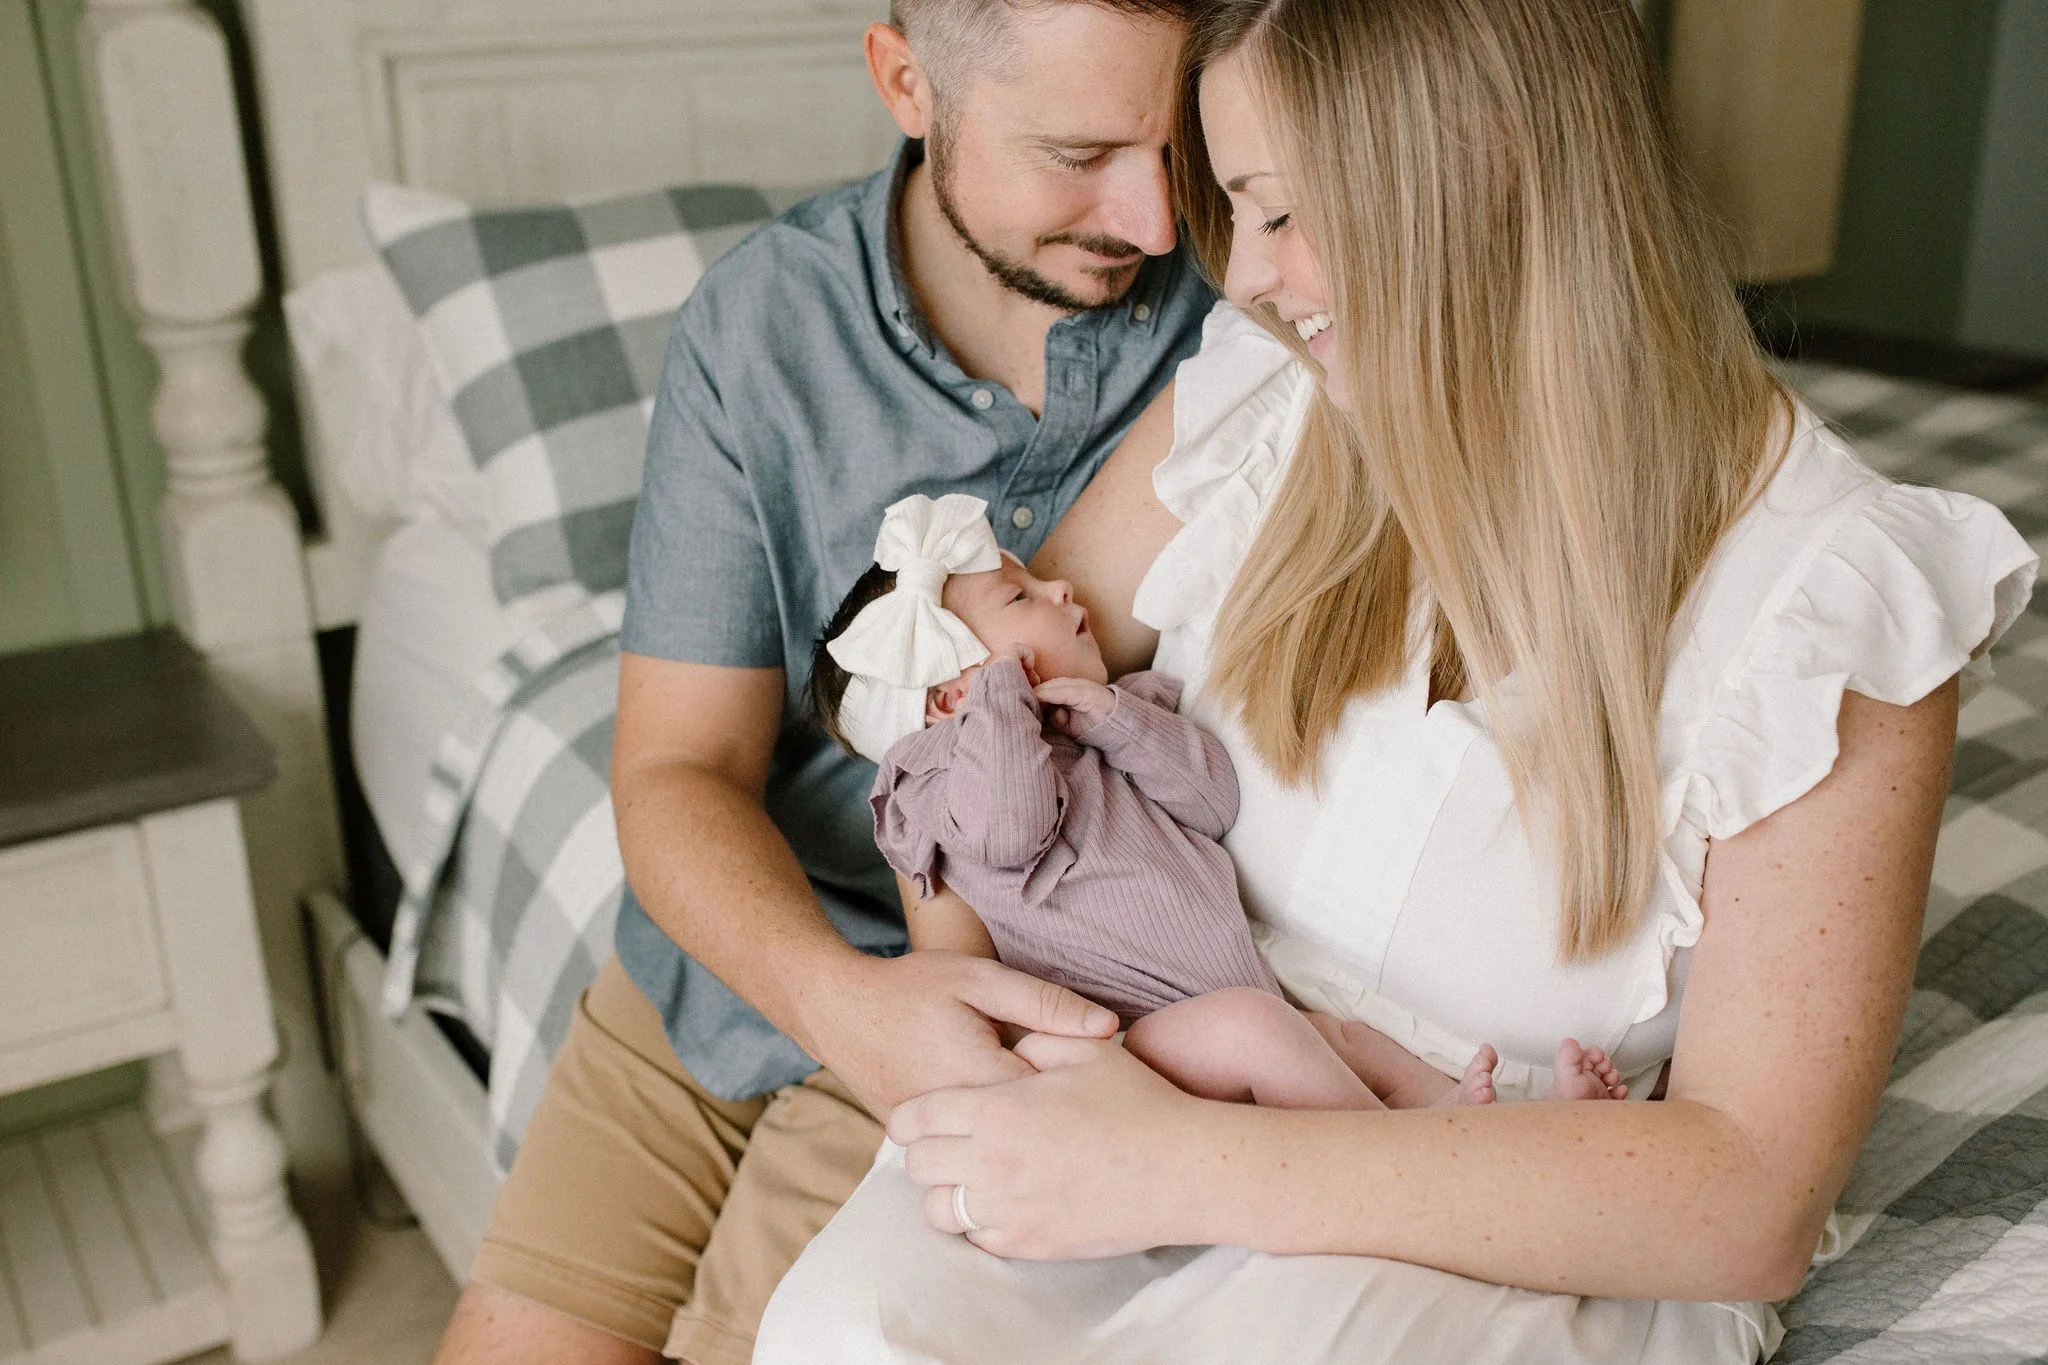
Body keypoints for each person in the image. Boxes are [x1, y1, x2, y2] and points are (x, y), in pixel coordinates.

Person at [752, 0, 2039, 1360]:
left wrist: (1178, 1162)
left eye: (1280, 210)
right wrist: (993, 1020)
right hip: (1140, 1084)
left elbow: (1753, 1200)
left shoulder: (1837, 599)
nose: (1242, 274)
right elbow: (949, 688)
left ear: (1479, 169)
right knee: (849, 1324)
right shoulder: (1270, 411)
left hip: (1505, 1219)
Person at [429, 4, 1219, 1364]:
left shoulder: (1244, 294)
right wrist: (839, 1003)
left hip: (999, 977)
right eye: (1080, 152)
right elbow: (677, 770)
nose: (1153, 216)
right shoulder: (761, 326)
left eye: (1178, 145)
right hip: (726, 959)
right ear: (907, 81)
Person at [813, 492, 1624, 1110]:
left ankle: (1490, 1124)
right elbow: (1009, 831)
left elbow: (1212, 798)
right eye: (1020, 598)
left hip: (1229, 991)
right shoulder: (948, 785)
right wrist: (1000, 703)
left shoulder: (1102, 719)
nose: (1060, 587)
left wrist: (1118, 719)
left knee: (1337, 1036)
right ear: (951, 695)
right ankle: (1421, 1155)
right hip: (1133, 1043)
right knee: (1259, 1031)